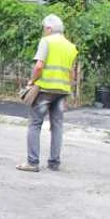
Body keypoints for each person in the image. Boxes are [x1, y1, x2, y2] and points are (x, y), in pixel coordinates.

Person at [17, 14, 78, 172]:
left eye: (45, 29)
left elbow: (39, 66)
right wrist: (68, 87)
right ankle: (54, 162)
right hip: (62, 90)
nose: (44, 31)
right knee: (57, 126)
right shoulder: (71, 46)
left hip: (44, 89)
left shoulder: (47, 41)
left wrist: (32, 81)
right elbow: (71, 73)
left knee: (35, 124)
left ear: (49, 28)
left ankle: (32, 162)